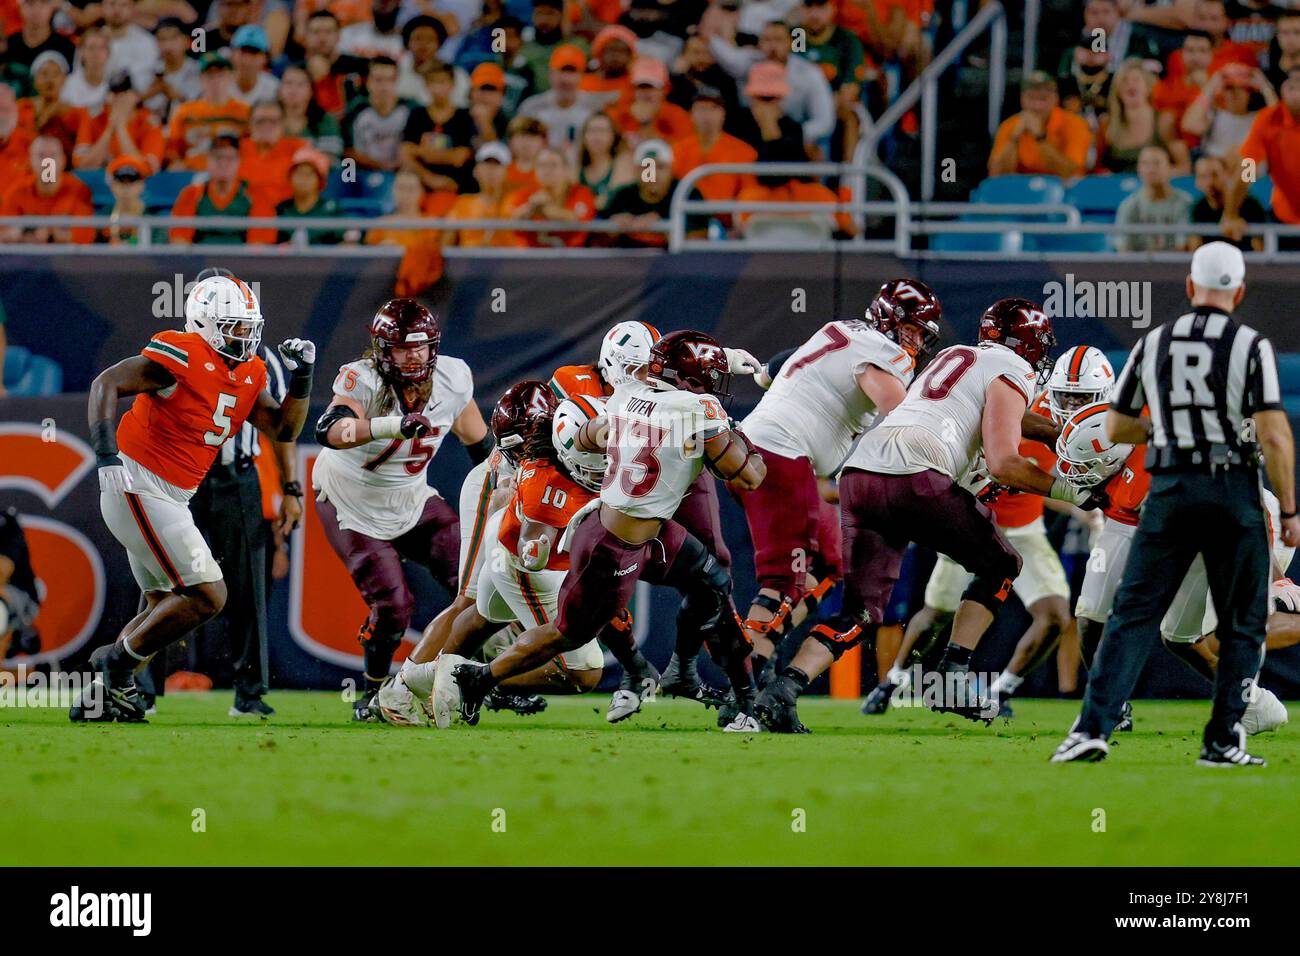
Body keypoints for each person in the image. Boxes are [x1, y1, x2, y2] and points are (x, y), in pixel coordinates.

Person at [756, 298, 1098, 733]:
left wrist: (1052, 433)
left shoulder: (956, 357)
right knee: (1001, 564)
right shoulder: (1013, 369)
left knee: (860, 614)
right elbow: (1004, 463)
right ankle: (952, 677)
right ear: (1030, 345)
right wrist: (1077, 492)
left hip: (861, 474)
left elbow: (991, 414)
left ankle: (783, 689)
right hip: (916, 474)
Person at [433, 330, 768, 732]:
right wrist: (734, 430)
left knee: (712, 579)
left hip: (637, 528)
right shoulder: (699, 408)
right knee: (566, 635)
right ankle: (479, 678)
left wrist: (604, 437)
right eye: (709, 375)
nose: (715, 382)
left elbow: (594, 426)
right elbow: (749, 477)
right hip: (618, 545)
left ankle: (737, 695)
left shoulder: (623, 395)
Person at [1053, 242, 1298, 766]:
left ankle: (1091, 730)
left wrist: (1164, 431)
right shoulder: (1251, 346)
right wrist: (1292, 512)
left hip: (1170, 488)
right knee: (1239, 622)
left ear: (1189, 287)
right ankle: (1224, 740)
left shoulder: (1155, 340)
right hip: (1233, 489)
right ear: (1240, 291)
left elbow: (1117, 427)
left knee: (1133, 614)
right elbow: (1276, 436)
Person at [70, 275, 314, 722]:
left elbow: (283, 429)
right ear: (204, 322)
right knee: (209, 595)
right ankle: (117, 663)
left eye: (249, 327)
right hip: (138, 483)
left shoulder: (251, 370)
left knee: (162, 600)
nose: (245, 336)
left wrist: (302, 378)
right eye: (234, 326)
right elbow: (105, 384)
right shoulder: (181, 352)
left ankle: (99, 697)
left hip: (172, 494)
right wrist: (105, 455)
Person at [736, 281, 939, 698]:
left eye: (921, 334)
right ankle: (742, 684)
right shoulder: (884, 356)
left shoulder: (842, 331)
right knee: (781, 582)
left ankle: (765, 650)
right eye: (911, 330)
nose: (915, 341)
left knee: (832, 559)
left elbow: (774, 366)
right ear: (889, 320)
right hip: (780, 456)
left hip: (761, 451)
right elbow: (897, 412)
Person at [311, 299, 491, 720]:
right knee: (393, 606)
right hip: (350, 500)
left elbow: (479, 444)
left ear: (434, 347)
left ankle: (477, 679)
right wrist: (392, 424)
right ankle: (374, 693)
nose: (413, 356)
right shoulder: (363, 380)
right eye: (402, 348)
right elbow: (330, 430)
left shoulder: (453, 377)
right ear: (381, 350)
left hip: (411, 497)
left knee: (475, 581)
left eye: (421, 347)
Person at [1222, 67, 1300, 246]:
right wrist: (1231, 215)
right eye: (1292, 86)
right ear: (1282, 90)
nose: (1297, 92)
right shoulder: (1267, 120)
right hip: (1283, 217)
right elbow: (1247, 169)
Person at [169, 132, 278, 244]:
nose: (223, 163)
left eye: (230, 158)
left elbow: (259, 245)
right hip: (201, 260)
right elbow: (179, 240)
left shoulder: (256, 195)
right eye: (218, 157)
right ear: (208, 160)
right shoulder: (191, 194)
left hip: (241, 260)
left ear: (239, 161)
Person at [987, 71, 1091, 179]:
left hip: (1064, 189)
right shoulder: (1010, 125)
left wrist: (1040, 138)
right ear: (1022, 99)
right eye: (1031, 98)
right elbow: (995, 175)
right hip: (1023, 188)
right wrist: (1014, 139)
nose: (1037, 106)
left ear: (1055, 99)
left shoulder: (1075, 124)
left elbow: (1070, 172)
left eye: (1043, 99)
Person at [1096, 59, 1190, 175]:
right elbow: (1098, 168)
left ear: (1148, 88)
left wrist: (1158, 174)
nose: (1130, 84)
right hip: (1120, 189)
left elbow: (1184, 167)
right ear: (1117, 91)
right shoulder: (1107, 124)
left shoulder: (1164, 120)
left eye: (1136, 80)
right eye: (1124, 81)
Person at [0, 135, 95, 244]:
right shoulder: (17, 191)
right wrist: (25, 233)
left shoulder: (79, 190)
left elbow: (84, 238)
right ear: (30, 161)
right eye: (41, 156)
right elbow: (3, 234)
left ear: (63, 160)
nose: (47, 163)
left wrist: (49, 233)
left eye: (52, 155)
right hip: (26, 258)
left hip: (66, 258)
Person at [401, 58, 476, 194]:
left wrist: (423, 152)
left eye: (442, 82)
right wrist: (429, 178)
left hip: (456, 183)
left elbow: (459, 157)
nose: (437, 88)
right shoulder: (417, 114)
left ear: (452, 84)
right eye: (432, 82)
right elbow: (406, 153)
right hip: (422, 182)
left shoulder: (463, 116)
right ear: (426, 85)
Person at [164, 53, 250, 170]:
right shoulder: (184, 112)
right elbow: (172, 150)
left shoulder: (245, 112)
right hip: (192, 172)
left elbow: (251, 150)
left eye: (221, 75)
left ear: (231, 77)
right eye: (210, 75)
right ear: (201, 78)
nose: (216, 81)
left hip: (231, 172)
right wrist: (176, 163)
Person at [73, 69, 166, 172]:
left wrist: (121, 128)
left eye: (124, 91)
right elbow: (81, 166)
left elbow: (146, 170)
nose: (119, 97)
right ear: (107, 97)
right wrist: (109, 129)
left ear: (135, 96)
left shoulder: (149, 122)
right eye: (114, 92)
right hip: (98, 182)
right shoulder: (93, 119)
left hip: (135, 184)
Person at [517, 44, 603, 153]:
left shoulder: (594, 108)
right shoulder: (531, 108)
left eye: (572, 72)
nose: (566, 79)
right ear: (551, 74)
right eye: (562, 71)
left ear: (581, 76)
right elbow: (517, 145)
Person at [1180, 61, 1274, 159]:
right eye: (1229, 88)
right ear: (1223, 93)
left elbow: (1280, 126)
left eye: (1241, 88)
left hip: (1248, 170)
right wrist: (1210, 87)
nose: (1234, 93)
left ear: (1249, 93)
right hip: (1217, 168)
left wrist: (1265, 87)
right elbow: (1189, 125)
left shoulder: (1259, 118)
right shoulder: (1215, 115)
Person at [509, 144, 595, 247]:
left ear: (566, 170)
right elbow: (510, 223)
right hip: (534, 258)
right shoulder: (526, 194)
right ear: (535, 170)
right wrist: (530, 207)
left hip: (572, 258)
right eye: (541, 165)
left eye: (553, 165)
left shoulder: (581, 193)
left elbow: (579, 222)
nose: (547, 170)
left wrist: (546, 210)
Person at [1114, 144, 1194, 252]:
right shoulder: (1128, 205)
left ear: (1170, 168)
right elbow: (1123, 248)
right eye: (1145, 164)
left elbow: (1184, 247)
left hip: (1174, 266)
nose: (1150, 169)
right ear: (1138, 169)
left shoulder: (1184, 203)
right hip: (1137, 266)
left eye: (1157, 163)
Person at [443, 141, 523, 247]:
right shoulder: (463, 203)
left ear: (506, 172)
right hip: (470, 261)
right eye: (487, 164)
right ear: (476, 170)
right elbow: (446, 244)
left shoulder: (515, 202)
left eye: (497, 165)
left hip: (505, 261)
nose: (491, 170)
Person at [342, 55, 413, 172]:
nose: (384, 87)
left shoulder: (411, 109)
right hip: (363, 173)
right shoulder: (355, 111)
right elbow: (348, 152)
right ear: (367, 82)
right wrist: (381, 166)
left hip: (402, 174)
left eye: (390, 80)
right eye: (378, 80)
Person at [1189, 153, 1265, 250]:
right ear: (1197, 181)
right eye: (1203, 176)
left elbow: (1260, 250)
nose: (1210, 182)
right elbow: (1195, 248)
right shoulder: (1198, 209)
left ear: (1227, 174)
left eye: (1214, 175)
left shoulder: (1250, 206)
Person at [239, 99, 307, 207]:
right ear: (250, 123)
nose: (266, 126)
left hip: (285, 216)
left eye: (273, 121)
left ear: (283, 124)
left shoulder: (299, 149)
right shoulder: (236, 150)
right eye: (260, 121)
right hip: (244, 216)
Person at [275, 146, 343, 244]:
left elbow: (343, 243)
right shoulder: (281, 208)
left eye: (309, 174)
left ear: (320, 180)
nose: (303, 179)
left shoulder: (332, 209)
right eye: (298, 173)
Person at [278, 63, 344, 162]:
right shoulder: (270, 118)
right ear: (279, 89)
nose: (293, 89)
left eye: (300, 84)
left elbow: (330, 156)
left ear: (311, 91)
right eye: (288, 83)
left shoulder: (324, 119)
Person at [141, 17, 201, 123]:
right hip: (154, 129)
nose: (167, 45)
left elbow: (198, 107)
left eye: (174, 38)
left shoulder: (197, 70)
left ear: (187, 42)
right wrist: (150, 92)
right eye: (162, 39)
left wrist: (172, 93)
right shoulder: (150, 70)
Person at [576, 110, 633, 211]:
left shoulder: (623, 163)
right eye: (592, 131)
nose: (596, 136)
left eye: (602, 131)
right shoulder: (577, 167)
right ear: (584, 136)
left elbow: (605, 202)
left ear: (613, 135)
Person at [102, 153, 149, 245]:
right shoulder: (104, 216)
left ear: (142, 185)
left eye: (132, 181)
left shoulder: (152, 215)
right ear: (112, 186)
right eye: (121, 182)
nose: (126, 188)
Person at [230, 24, 279, 105]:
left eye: (254, 53)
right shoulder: (216, 84)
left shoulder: (274, 89)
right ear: (232, 54)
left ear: (265, 59)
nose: (247, 60)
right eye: (243, 52)